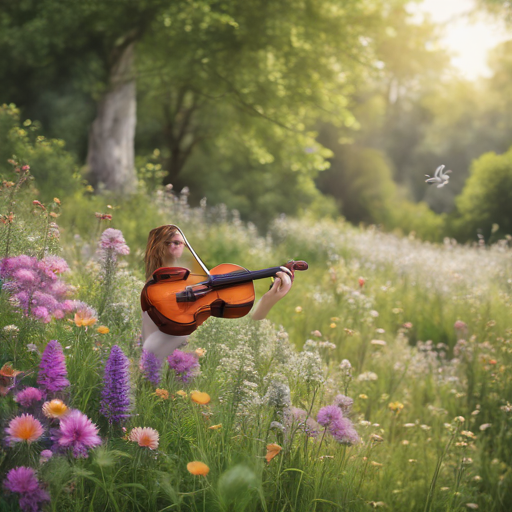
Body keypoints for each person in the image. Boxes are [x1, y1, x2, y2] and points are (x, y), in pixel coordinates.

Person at [142, 224, 293, 360]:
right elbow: (150, 344)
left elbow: (248, 325)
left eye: (177, 242)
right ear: (156, 246)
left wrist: (269, 299)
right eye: (166, 242)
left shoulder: (194, 276)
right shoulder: (154, 288)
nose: (172, 247)